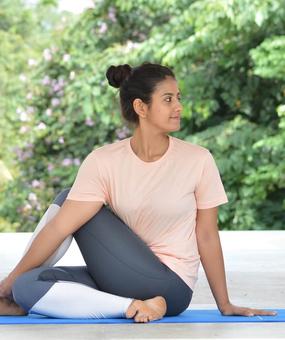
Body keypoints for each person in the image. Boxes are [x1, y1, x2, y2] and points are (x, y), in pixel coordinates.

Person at [0, 62, 277, 322]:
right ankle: (129, 306)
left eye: (178, 98)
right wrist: (12, 282)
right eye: (168, 99)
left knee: (70, 203)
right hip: (119, 275)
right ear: (140, 107)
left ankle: (145, 303)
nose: (179, 106)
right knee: (28, 285)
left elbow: (206, 235)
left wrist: (224, 303)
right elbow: (58, 229)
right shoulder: (104, 161)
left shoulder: (198, 160)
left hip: (171, 286)